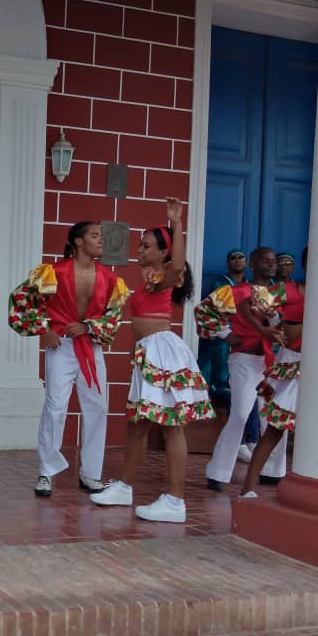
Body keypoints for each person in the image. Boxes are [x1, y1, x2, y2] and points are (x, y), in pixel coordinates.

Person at [88, 198, 213, 523]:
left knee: (171, 427)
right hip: (148, 354)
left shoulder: (167, 277)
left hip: (162, 353)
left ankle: (175, 500)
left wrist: (176, 223)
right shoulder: (150, 281)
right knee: (137, 425)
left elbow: (176, 265)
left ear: (163, 252)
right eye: (141, 245)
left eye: (146, 246)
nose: (140, 250)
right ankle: (125, 487)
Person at [8, 221, 130, 496]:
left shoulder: (110, 279)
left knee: (98, 407)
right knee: (55, 407)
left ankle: (90, 474)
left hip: (91, 347)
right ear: (78, 241)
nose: (101, 241)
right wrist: (44, 329)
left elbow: (114, 317)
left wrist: (89, 327)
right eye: (95, 236)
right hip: (61, 346)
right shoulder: (54, 272)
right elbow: (20, 300)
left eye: (101, 236)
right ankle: (46, 472)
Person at [199, 247, 289, 492]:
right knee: (240, 413)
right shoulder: (236, 291)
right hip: (245, 363)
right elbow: (203, 312)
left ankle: (273, 470)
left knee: (273, 416)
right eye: (266, 261)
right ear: (253, 264)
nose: (271, 265)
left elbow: (288, 324)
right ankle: (218, 470)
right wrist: (226, 334)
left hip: (271, 365)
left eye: (274, 261)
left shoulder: (279, 294)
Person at [240, 246, 307, 497]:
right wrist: (265, 329)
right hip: (293, 364)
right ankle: (247, 487)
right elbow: (248, 304)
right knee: (276, 428)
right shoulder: (288, 291)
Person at [197, 248, 247, 403]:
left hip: (242, 333)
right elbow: (213, 310)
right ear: (228, 263)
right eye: (233, 258)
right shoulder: (220, 282)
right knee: (215, 357)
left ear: (246, 263)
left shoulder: (248, 285)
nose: (237, 260)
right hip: (222, 332)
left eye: (241, 257)